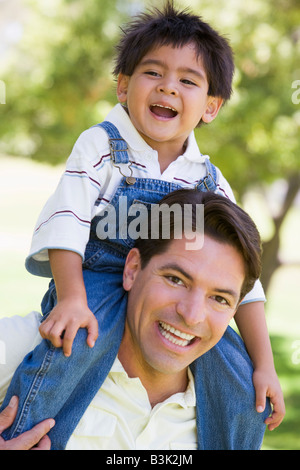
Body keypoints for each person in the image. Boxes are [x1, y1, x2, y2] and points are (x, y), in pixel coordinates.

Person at [0, 1, 284, 447]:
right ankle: (24, 431)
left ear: (211, 106)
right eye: (154, 74)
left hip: (164, 287)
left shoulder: (207, 179)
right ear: (123, 85)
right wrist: (72, 299)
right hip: (94, 284)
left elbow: (242, 278)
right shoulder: (101, 145)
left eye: (188, 81)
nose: (168, 88)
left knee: (240, 380)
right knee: (72, 350)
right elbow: (68, 223)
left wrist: (263, 363)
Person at [0, 190, 273, 450]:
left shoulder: (236, 411)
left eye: (220, 299)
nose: (191, 315)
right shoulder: (36, 345)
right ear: (132, 269)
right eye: (175, 280)